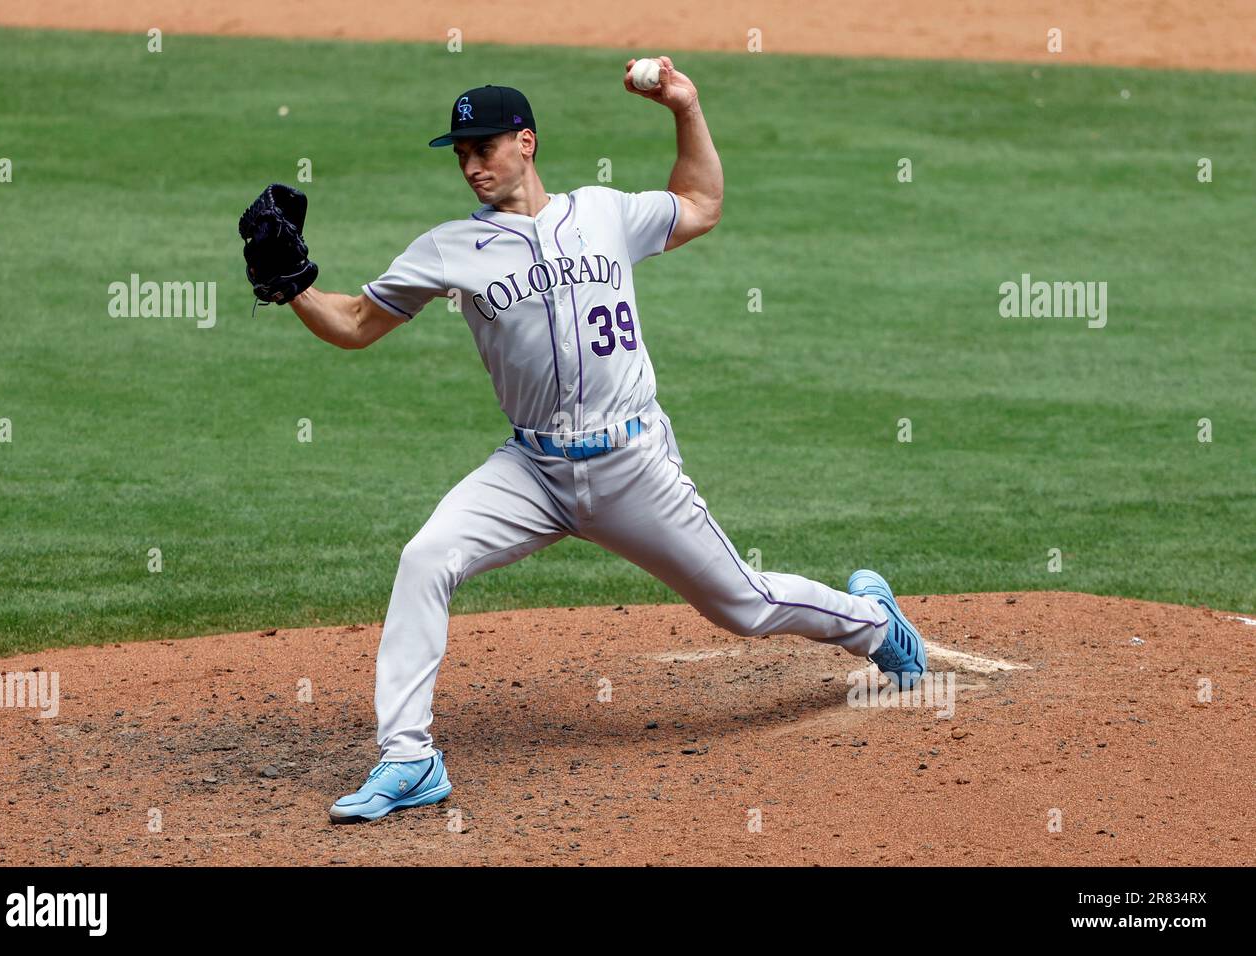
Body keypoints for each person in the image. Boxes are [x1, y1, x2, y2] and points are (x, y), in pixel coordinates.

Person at [282, 58, 926, 823]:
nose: (471, 164)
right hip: (531, 468)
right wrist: (292, 284)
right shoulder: (449, 247)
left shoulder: (604, 213)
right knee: (426, 557)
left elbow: (702, 202)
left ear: (526, 142)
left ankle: (878, 624)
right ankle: (409, 755)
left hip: (631, 466)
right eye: (460, 152)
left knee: (741, 606)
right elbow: (355, 325)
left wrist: (684, 107)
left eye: (484, 146)